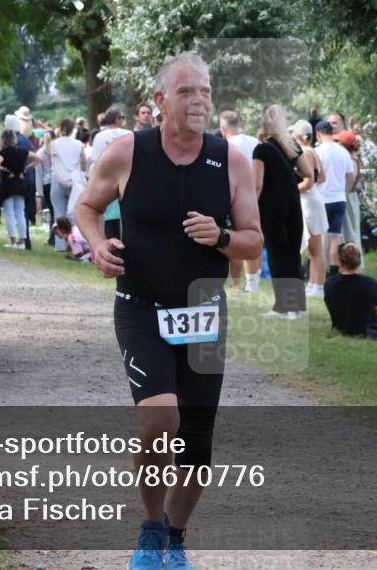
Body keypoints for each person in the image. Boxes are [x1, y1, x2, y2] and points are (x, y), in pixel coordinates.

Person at [76, 52, 262, 570]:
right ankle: (151, 526)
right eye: (186, 92)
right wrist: (96, 244)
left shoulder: (232, 161)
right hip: (140, 308)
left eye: (204, 91)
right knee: (161, 419)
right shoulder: (127, 152)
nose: (199, 100)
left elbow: (254, 244)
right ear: (159, 102)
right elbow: (87, 207)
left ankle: (176, 538)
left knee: (197, 445)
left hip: (203, 310)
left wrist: (222, 235)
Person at [252, 105, 312, 318]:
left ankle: (283, 307)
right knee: (292, 253)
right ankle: (295, 307)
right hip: (293, 203)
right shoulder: (292, 144)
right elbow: (308, 172)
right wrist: (288, 173)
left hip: (272, 206)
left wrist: (250, 209)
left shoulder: (262, 149)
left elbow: (256, 184)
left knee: (278, 254)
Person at [218, 109, 261, 291]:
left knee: (234, 239)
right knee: (255, 237)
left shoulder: (228, 146)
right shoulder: (254, 141)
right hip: (258, 195)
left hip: (238, 197)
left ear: (223, 126)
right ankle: (253, 283)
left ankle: (236, 282)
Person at [290, 120, 328, 298]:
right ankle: (313, 284)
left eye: (294, 136)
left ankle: (318, 286)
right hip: (312, 199)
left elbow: (310, 181)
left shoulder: (305, 152)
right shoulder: (313, 150)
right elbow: (322, 176)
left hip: (309, 201)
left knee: (315, 248)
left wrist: (291, 189)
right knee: (314, 249)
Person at [314, 120, 355, 275]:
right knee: (335, 238)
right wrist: (344, 191)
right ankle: (334, 272)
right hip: (339, 199)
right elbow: (350, 177)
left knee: (317, 240)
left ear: (318, 134)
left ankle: (318, 273)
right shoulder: (343, 152)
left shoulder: (317, 152)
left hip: (322, 199)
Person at [0, 128, 40, 249]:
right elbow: (39, 159)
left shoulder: (2, 153)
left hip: (8, 184)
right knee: (20, 212)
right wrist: (26, 168)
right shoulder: (22, 151)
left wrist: (4, 169)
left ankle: (13, 241)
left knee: (9, 213)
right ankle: (22, 242)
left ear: (3, 139)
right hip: (20, 184)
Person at [89, 106, 131, 240]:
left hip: (105, 179)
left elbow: (94, 161)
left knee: (108, 215)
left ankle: (110, 243)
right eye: (122, 118)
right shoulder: (128, 134)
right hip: (126, 178)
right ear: (117, 119)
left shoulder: (99, 137)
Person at [49, 117, 86, 230]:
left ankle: (60, 242)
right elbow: (83, 161)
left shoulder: (53, 143)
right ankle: (74, 238)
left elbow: (51, 160)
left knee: (58, 211)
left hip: (57, 178)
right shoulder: (78, 144)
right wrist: (82, 172)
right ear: (73, 129)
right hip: (73, 179)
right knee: (73, 211)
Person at [337, 129, 362, 255]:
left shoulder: (352, 160)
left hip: (349, 198)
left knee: (350, 232)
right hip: (348, 197)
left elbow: (350, 181)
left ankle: (353, 260)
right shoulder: (350, 158)